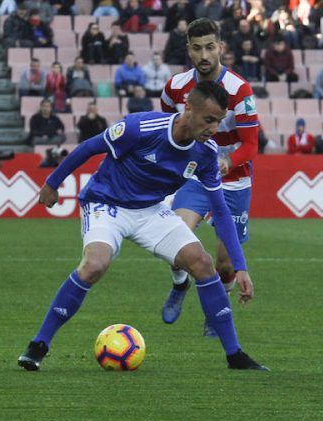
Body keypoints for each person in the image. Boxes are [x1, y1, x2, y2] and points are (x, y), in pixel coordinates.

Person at [17, 80, 267, 372]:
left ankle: (234, 355)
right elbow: (89, 147)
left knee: (202, 263)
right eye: (208, 120)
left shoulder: (206, 153)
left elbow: (221, 212)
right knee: (94, 265)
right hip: (106, 204)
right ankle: (38, 345)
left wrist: (240, 266)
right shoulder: (141, 127)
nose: (213, 128)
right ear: (188, 109)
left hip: (150, 211)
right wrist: (52, 183)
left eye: (218, 122)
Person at [160, 19, 259, 336]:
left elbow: (251, 145)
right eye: (197, 48)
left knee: (226, 264)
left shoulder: (239, 90)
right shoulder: (175, 87)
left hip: (234, 180)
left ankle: (219, 306)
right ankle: (179, 283)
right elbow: (168, 131)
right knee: (175, 237)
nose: (204, 55)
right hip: (194, 176)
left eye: (210, 47)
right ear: (188, 49)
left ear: (221, 47)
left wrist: (227, 161)